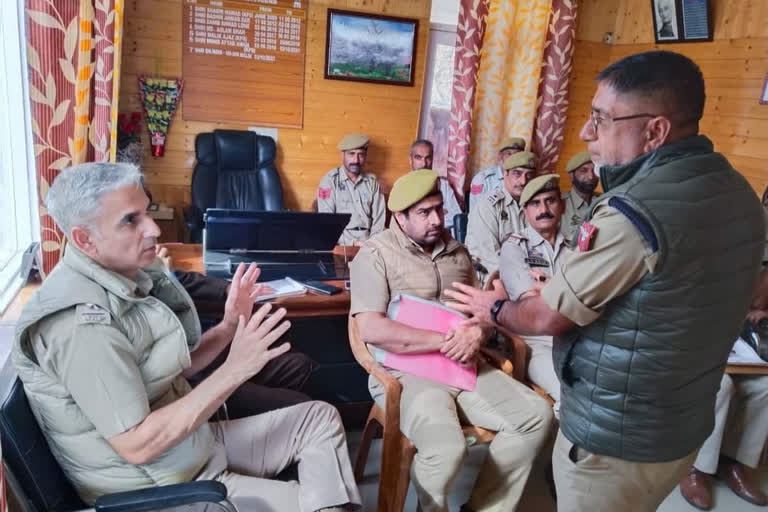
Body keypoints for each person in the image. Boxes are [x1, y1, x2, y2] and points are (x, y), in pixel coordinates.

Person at [444, 51, 765, 511]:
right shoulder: (739, 193)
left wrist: (492, 308)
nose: (585, 132)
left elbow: (546, 313)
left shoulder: (634, 212)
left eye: (601, 118)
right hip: (682, 424)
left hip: (616, 435)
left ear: (655, 130)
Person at [14, 162, 361, 511]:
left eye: (146, 212)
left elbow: (166, 371)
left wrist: (228, 326)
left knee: (319, 417)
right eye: (131, 220)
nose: (152, 228)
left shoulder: (120, 278)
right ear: (84, 239)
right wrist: (234, 370)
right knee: (316, 503)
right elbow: (137, 445)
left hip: (190, 448)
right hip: (165, 486)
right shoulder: (79, 325)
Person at [350, 169, 553, 512]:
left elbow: (483, 313)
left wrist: (478, 331)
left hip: (464, 365)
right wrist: (445, 339)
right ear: (399, 217)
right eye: (424, 213)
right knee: (446, 449)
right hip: (407, 374)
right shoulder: (375, 254)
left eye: (439, 209)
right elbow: (372, 329)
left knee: (537, 417)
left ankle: (482, 507)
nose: (437, 219)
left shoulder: (458, 253)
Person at [155, 249, 315, 418]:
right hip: (183, 389)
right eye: (131, 221)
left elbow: (181, 278)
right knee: (307, 408)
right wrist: (163, 279)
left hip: (195, 361)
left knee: (300, 366)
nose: (153, 230)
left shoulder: (144, 270)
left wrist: (228, 289)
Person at [498, 174, 568, 412]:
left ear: (563, 205)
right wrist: (564, 290)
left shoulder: (575, 248)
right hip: (534, 344)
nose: (544, 209)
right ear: (525, 212)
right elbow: (532, 307)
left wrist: (550, 287)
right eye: (535, 204)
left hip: (573, 337)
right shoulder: (514, 248)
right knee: (569, 395)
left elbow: (591, 298)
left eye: (550, 201)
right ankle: (562, 450)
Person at [679, 373, 768, 509]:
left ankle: (730, 462)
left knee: (765, 385)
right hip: (696, 366)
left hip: (738, 363)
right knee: (722, 383)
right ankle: (695, 467)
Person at [465, 151, 536, 279]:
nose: (523, 181)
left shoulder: (533, 205)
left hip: (522, 271)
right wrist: (526, 280)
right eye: (517, 174)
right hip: (489, 274)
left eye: (529, 175)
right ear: (505, 174)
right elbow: (491, 257)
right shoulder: (488, 206)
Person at [317, 133, 386, 245]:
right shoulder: (329, 182)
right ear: (342, 155)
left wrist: (372, 245)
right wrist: (353, 243)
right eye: (351, 154)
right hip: (341, 246)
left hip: (370, 245)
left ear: (366, 156)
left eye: (361, 155)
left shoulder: (372, 183)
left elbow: (379, 221)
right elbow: (327, 224)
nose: (356, 160)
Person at [408, 139, 463, 231]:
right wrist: (441, 213)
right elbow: (407, 222)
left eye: (428, 158)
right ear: (410, 160)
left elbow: (457, 216)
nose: (424, 163)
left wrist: (427, 219)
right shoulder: (402, 186)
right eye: (418, 157)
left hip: (441, 236)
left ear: (432, 160)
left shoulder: (443, 185)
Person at [469, 136, 526, 203]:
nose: (513, 158)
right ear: (500, 156)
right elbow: (477, 210)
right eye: (508, 154)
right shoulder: (482, 179)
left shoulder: (525, 179)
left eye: (517, 155)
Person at [559, 151, 599, 240]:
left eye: (595, 170)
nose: (591, 176)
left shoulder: (604, 201)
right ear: (571, 176)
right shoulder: (560, 204)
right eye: (584, 171)